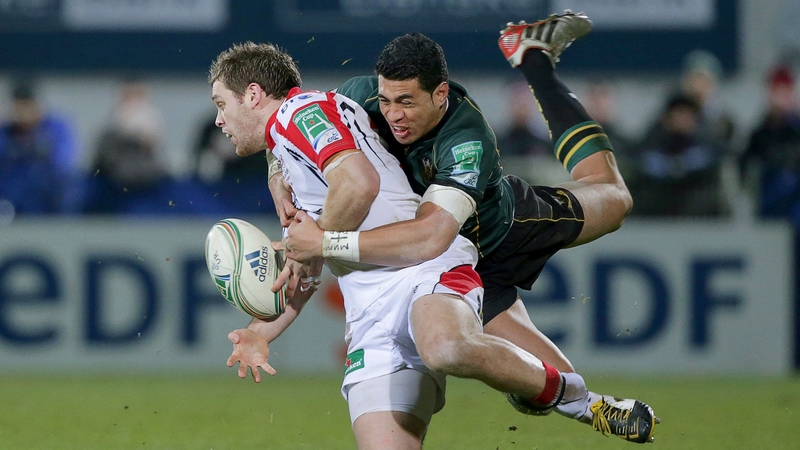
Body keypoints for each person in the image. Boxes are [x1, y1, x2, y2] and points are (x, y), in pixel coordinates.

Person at [279, 11, 658, 443]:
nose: (393, 115)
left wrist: (327, 242)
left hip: (505, 232)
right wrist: (278, 177)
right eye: (387, 101)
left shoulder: (465, 138)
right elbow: (295, 125)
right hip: (455, 266)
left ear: (440, 93)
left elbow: (430, 235)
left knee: (614, 197)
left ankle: (534, 61)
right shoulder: (360, 99)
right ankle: (575, 400)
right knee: (550, 383)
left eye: (407, 102)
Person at [209, 42, 603, 450]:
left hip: (421, 269)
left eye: (222, 104)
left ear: (253, 95)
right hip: (369, 315)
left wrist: (320, 240)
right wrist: (261, 332)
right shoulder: (293, 143)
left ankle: (581, 401)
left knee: (445, 346)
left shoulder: (299, 114)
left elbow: (359, 184)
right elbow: (307, 264)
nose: (219, 120)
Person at [0, 78, 83, 216]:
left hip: (47, 195)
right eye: (20, 106)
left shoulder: (56, 127)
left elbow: (64, 163)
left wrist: (38, 145)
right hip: (13, 198)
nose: (24, 112)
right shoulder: (6, 131)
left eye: (28, 105)